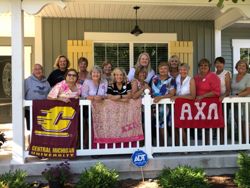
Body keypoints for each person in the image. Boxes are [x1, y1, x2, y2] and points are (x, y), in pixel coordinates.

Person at [194, 58, 220, 145]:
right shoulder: (196, 77)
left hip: (210, 104)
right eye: (201, 65)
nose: (203, 67)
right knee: (200, 125)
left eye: (205, 65)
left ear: (209, 67)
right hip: (198, 105)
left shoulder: (213, 76)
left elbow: (217, 92)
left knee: (208, 126)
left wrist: (203, 96)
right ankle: (200, 145)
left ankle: (207, 145)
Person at [151, 62, 176, 146]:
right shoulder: (154, 78)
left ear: (168, 69)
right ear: (158, 69)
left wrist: (160, 98)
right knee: (157, 125)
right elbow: (151, 91)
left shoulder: (171, 79)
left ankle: (164, 145)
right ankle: (159, 145)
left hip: (164, 106)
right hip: (154, 106)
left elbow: (172, 93)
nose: (163, 70)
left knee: (162, 125)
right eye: (161, 68)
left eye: (165, 68)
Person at [171, 63, 196, 145]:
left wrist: (178, 97)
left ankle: (185, 146)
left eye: (184, 69)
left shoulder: (191, 80)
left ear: (188, 70)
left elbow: (192, 96)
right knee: (175, 126)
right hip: (177, 105)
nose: (182, 71)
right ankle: (177, 146)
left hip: (187, 107)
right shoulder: (177, 79)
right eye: (181, 69)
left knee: (182, 127)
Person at [24, 64, 51, 130]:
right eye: (35, 69)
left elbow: (50, 96)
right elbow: (22, 95)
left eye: (39, 69)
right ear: (32, 71)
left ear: (42, 70)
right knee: (32, 130)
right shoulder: (27, 81)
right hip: (31, 110)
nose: (38, 71)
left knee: (42, 130)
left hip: (43, 110)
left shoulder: (46, 82)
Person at [231, 59, 250, 143]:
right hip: (235, 102)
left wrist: (237, 96)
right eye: (239, 65)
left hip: (245, 102)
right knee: (237, 121)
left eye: (243, 66)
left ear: (246, 68)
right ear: (236, 67)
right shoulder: (234, 76)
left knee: (245, 121)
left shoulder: (248, 76)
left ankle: (245, 142)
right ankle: (241, 140)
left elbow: (248, 90)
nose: (241, 67)